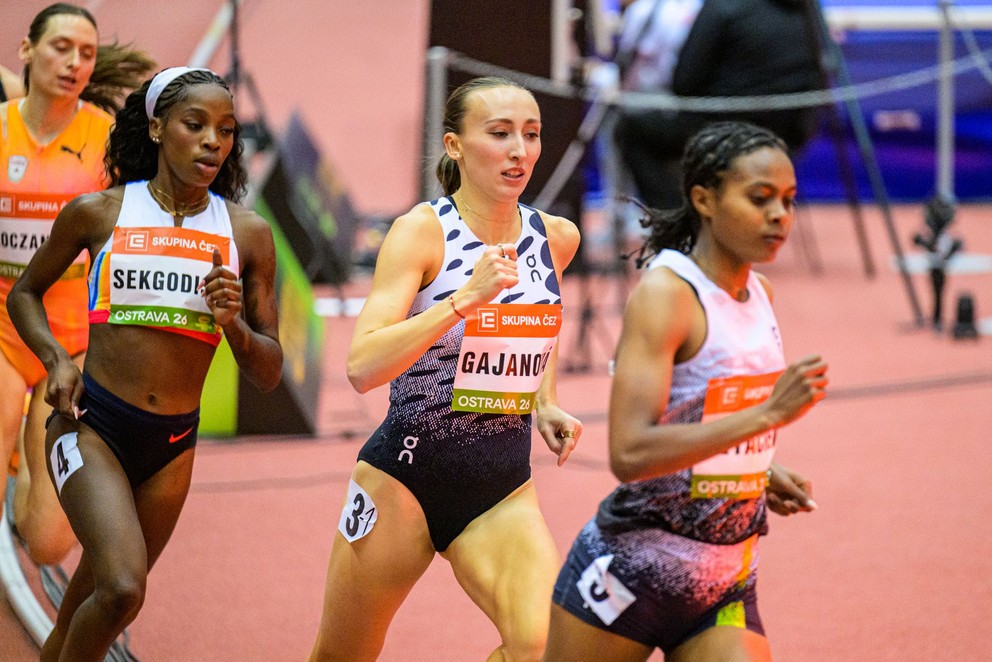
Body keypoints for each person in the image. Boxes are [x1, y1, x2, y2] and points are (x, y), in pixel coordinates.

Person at [8, 66, 282, 661]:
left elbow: (269, 370)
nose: (214, 141)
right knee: (123, 587)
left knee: (93, 598)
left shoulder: (248, 235)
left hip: (172, 447)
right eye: (196, 124)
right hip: (93, 425)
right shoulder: (99, 213)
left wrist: (233, 323)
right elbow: (23, 292)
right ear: (157, 128)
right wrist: (56, 358)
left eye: (228, 130)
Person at [309, 76, 582, 662]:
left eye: (531, 135)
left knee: (543, 645)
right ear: (455, 146)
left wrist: (545, 401)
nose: (520, 151)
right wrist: (462, 300)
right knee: (341, 655)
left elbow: (538, 326)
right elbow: (362, 366)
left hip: (501, 485)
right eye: (500, 133)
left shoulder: (555, 238)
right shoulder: (421, 232)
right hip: (404, 478)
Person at [544, 121, 828, 661]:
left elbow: (700, 415)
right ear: (704, 198)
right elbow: (629, 454)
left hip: (725, 579)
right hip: (632, 573)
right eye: (760, 198)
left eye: (789, 200)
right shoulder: (667, 295)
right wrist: (768, 416)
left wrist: (755, 472)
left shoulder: (758, 292)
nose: (779, 216)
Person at [1, 2, 154, 567]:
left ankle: (26, 464)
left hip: (74, 347)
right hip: (3, 332)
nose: (73, 62)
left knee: (46, 542)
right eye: (60, 47)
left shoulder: (107, 143)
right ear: (27, 51)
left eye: (86, 54)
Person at [615, 0, 822, 211]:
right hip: (790, 135)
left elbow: (684, 83)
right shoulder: (807, 8)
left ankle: (678, 224)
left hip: (723, 134)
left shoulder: (722, 6)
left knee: (630, 130)